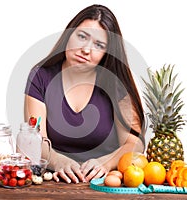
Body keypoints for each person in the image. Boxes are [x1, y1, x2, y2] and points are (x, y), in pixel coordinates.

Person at [24, 4, 145, 184]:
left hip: (104, 183)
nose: (86, 50)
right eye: (82, 37)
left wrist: (105, 163)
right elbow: (35, 138)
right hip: (55, 181)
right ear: (68, 35)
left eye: (99, 45)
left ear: (106, 52)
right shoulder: (41, 76)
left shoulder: (115, 83)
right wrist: (58, 161)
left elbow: (134, 143)